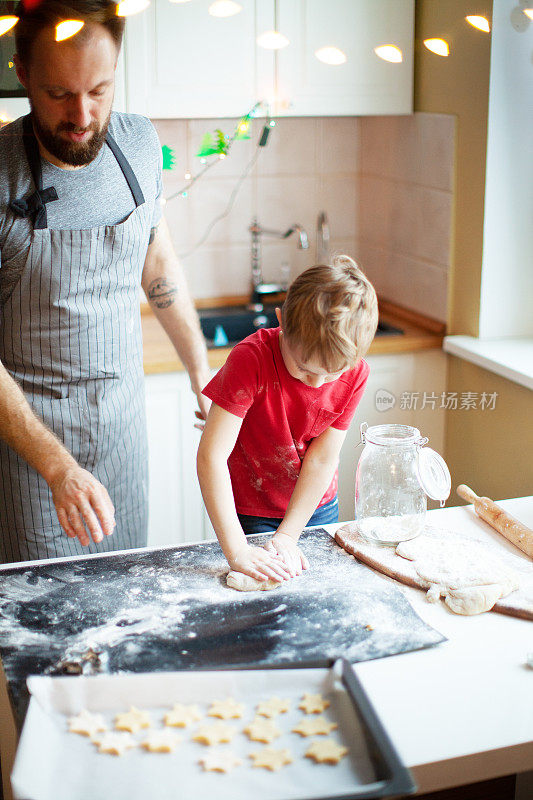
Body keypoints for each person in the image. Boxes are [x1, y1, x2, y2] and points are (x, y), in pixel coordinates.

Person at [0, 0, 210, 563]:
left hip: (122, 436)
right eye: (58, 94)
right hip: (30, 460)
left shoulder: (138, 147)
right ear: (21, 71)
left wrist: (200, 370)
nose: (83, 115)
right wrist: (58, 467)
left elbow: (157, 262)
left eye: (99, 90)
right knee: (42, 622)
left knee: (122, 601)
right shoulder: (1, 174)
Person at [197, 256, 378, 584]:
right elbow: (211, 455)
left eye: (332, 374)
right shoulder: (251, 359)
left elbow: (323, 458)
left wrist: (289, 536)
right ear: (281, 321)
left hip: (316, 507)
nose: (317, 384)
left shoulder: (356, 374)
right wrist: (238, 551)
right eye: (305, 369)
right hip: (253, 508)